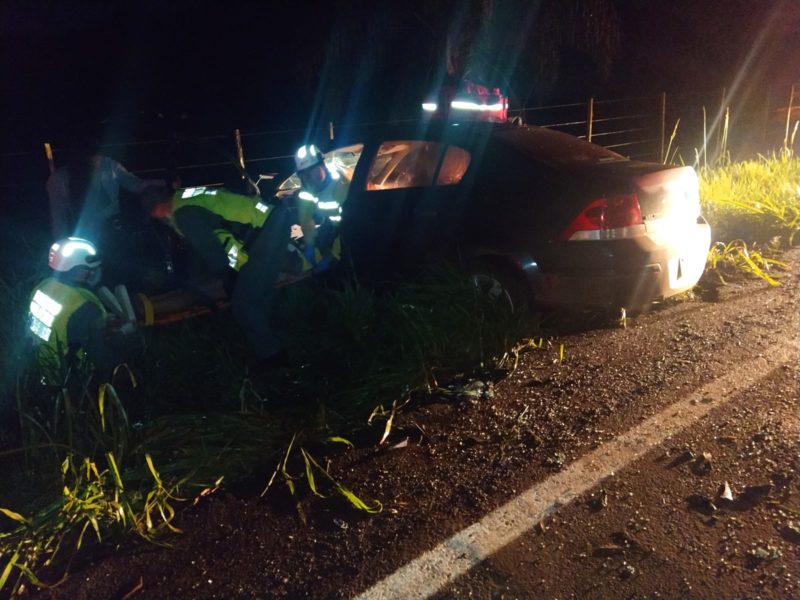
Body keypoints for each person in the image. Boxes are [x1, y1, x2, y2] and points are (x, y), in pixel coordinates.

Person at [141, 184, 292, 371]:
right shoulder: (187, 197)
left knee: (242, 305)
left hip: (265, 232)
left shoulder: (183, 213)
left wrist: (227, 280)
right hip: (274, 220)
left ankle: (274, 360)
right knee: (261, 297)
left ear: (156, 208)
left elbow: (211, 251)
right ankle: (276, 344)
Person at [46, 134, 165, 280]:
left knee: (123, 258)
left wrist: (164, 182)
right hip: (84, 232)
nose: (96, 161)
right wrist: (61, 245)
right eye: (90, 157)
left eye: (97, 155)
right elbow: (58, 216)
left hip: (113, 225)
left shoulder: (109, 166)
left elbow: (136, 184)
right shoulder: (59, 180)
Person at [27, 237, 135, 383]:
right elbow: (101, 359)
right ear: (80, 271)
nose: (95, 273)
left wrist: (101, 322)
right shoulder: (84, 306)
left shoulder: (43, 286)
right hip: (65, 378)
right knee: (132, 346)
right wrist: (123, 334)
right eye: (91, 269)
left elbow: (60, 323)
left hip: (39, 365)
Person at [292, 144, 350, 273]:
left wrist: (334, 255)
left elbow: (349, 224)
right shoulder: (306, 191)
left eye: (316, 173)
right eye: (306, 176)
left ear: (323, 166)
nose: (312, 180)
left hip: (347, 232)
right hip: (330, 227)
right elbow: (305, 218)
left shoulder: (341, 186)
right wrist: (309, 244)